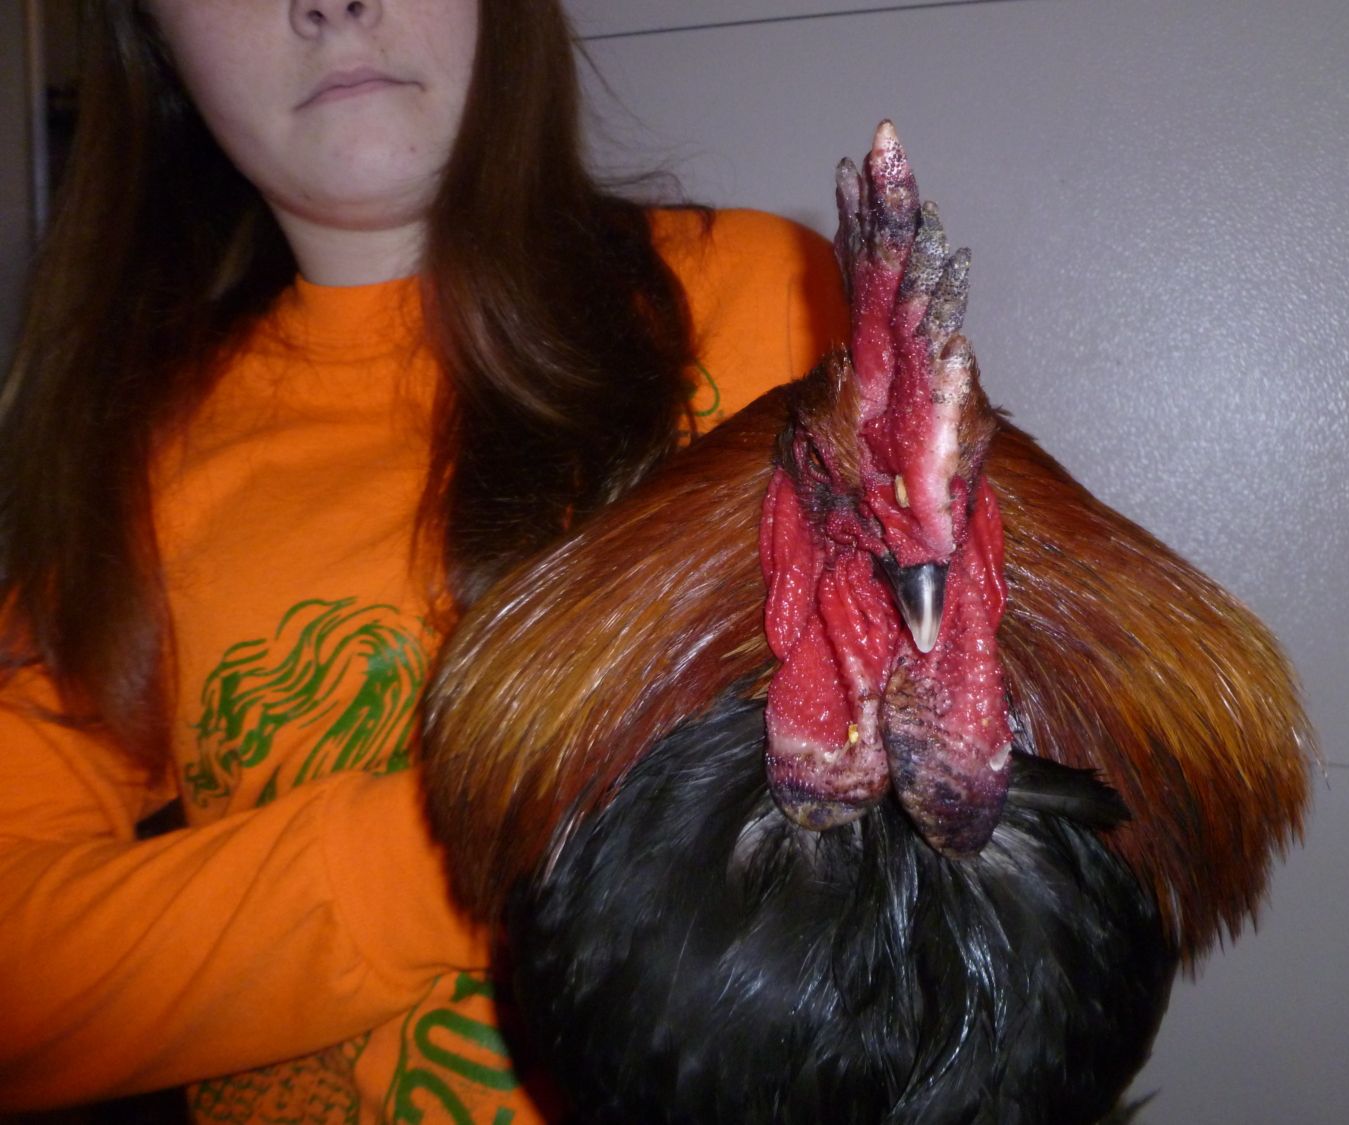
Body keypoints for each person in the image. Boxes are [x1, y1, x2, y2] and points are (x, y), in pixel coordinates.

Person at [0, 0, 848, 1118]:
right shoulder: (126, 462)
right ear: (154, 34)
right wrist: (475, 843)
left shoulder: (776, 299)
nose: (329, 3)